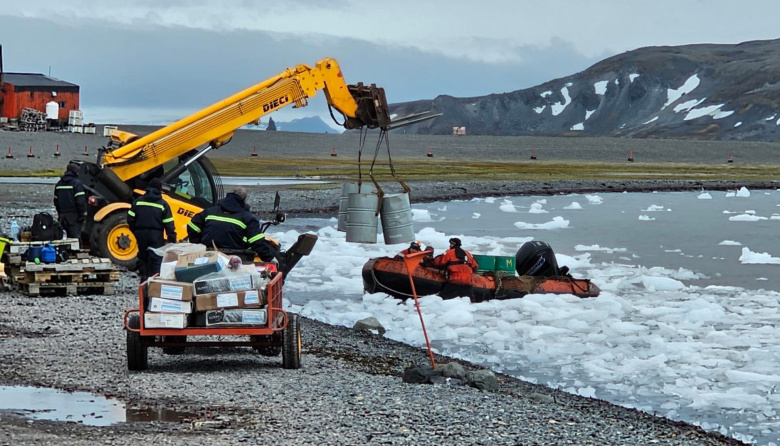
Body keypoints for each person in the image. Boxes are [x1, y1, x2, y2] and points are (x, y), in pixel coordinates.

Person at [187, 187, 281, 264]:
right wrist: (270, 259)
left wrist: (199, 244)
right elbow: (257, 243)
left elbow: (192, 227)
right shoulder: (247, 218)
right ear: (244, 200)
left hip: (209, 257)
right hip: (238, 259)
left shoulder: (209, 212)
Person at [128, 178, 177, 282]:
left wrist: (135, 231)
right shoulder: (163, 204)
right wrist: (172, 239)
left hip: (140, 233)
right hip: (156, 235)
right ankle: (154, 282)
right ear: (159, 190)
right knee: (155, 259)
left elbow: (130, 219)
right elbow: (169, 224)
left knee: (143, 257)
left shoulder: (138, 202)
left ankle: (144, 280)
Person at [53, 163, 87, 242]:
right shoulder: (77, 183)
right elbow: (80, 201)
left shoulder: (59, 184)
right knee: (75, 239)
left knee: (64, 238)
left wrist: (60, 212)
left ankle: (66, 253)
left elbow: (56, 201)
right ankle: (75, 253)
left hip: (62, 215)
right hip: (74, 216)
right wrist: (83, 213)